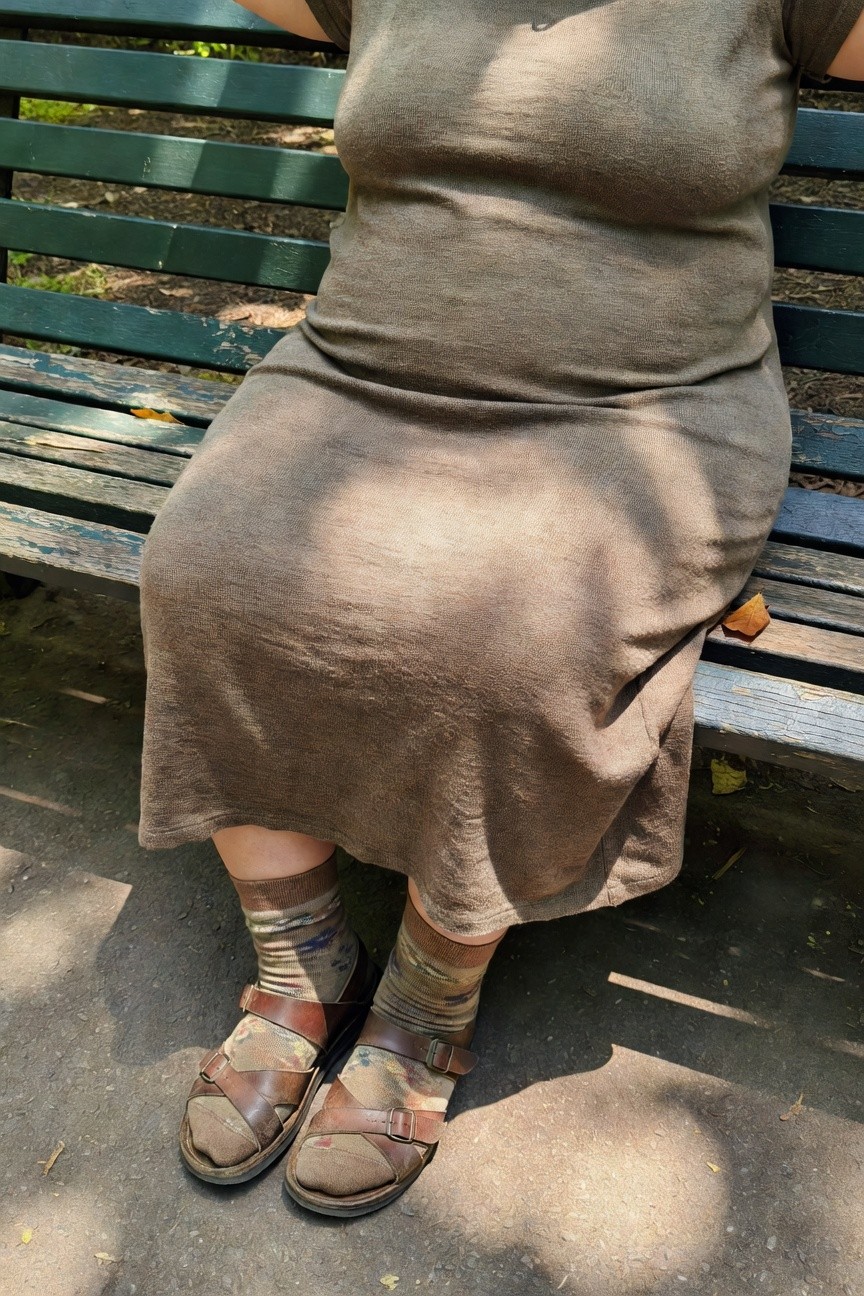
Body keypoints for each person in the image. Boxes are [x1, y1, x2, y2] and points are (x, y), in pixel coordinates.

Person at [136, 0, 864, 1218]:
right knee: (205, 570)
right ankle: (304, 965)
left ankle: (426, 1005)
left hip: (640, 413)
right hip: (358, 376)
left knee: (507, 643)